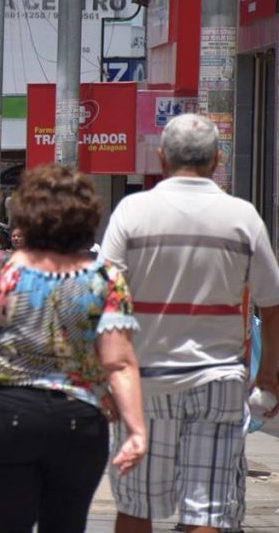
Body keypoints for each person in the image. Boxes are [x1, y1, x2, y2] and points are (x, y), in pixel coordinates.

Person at [0, 164, 147, 531]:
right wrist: (136, 430)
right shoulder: (106, 280)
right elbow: (119, 364)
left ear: (25, 215)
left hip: (6, 417)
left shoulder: (1, 272)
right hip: (80, 422)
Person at [101, 113, 279, 532]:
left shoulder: (132, 212)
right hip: (216, 382)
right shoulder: (243, 217)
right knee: (207, 511)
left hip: (142, 382)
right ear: (217, 160)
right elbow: (271, 304)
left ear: (162, 159)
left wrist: (101, 378)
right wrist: (268, 376)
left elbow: (103, 299)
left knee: (135, 506)